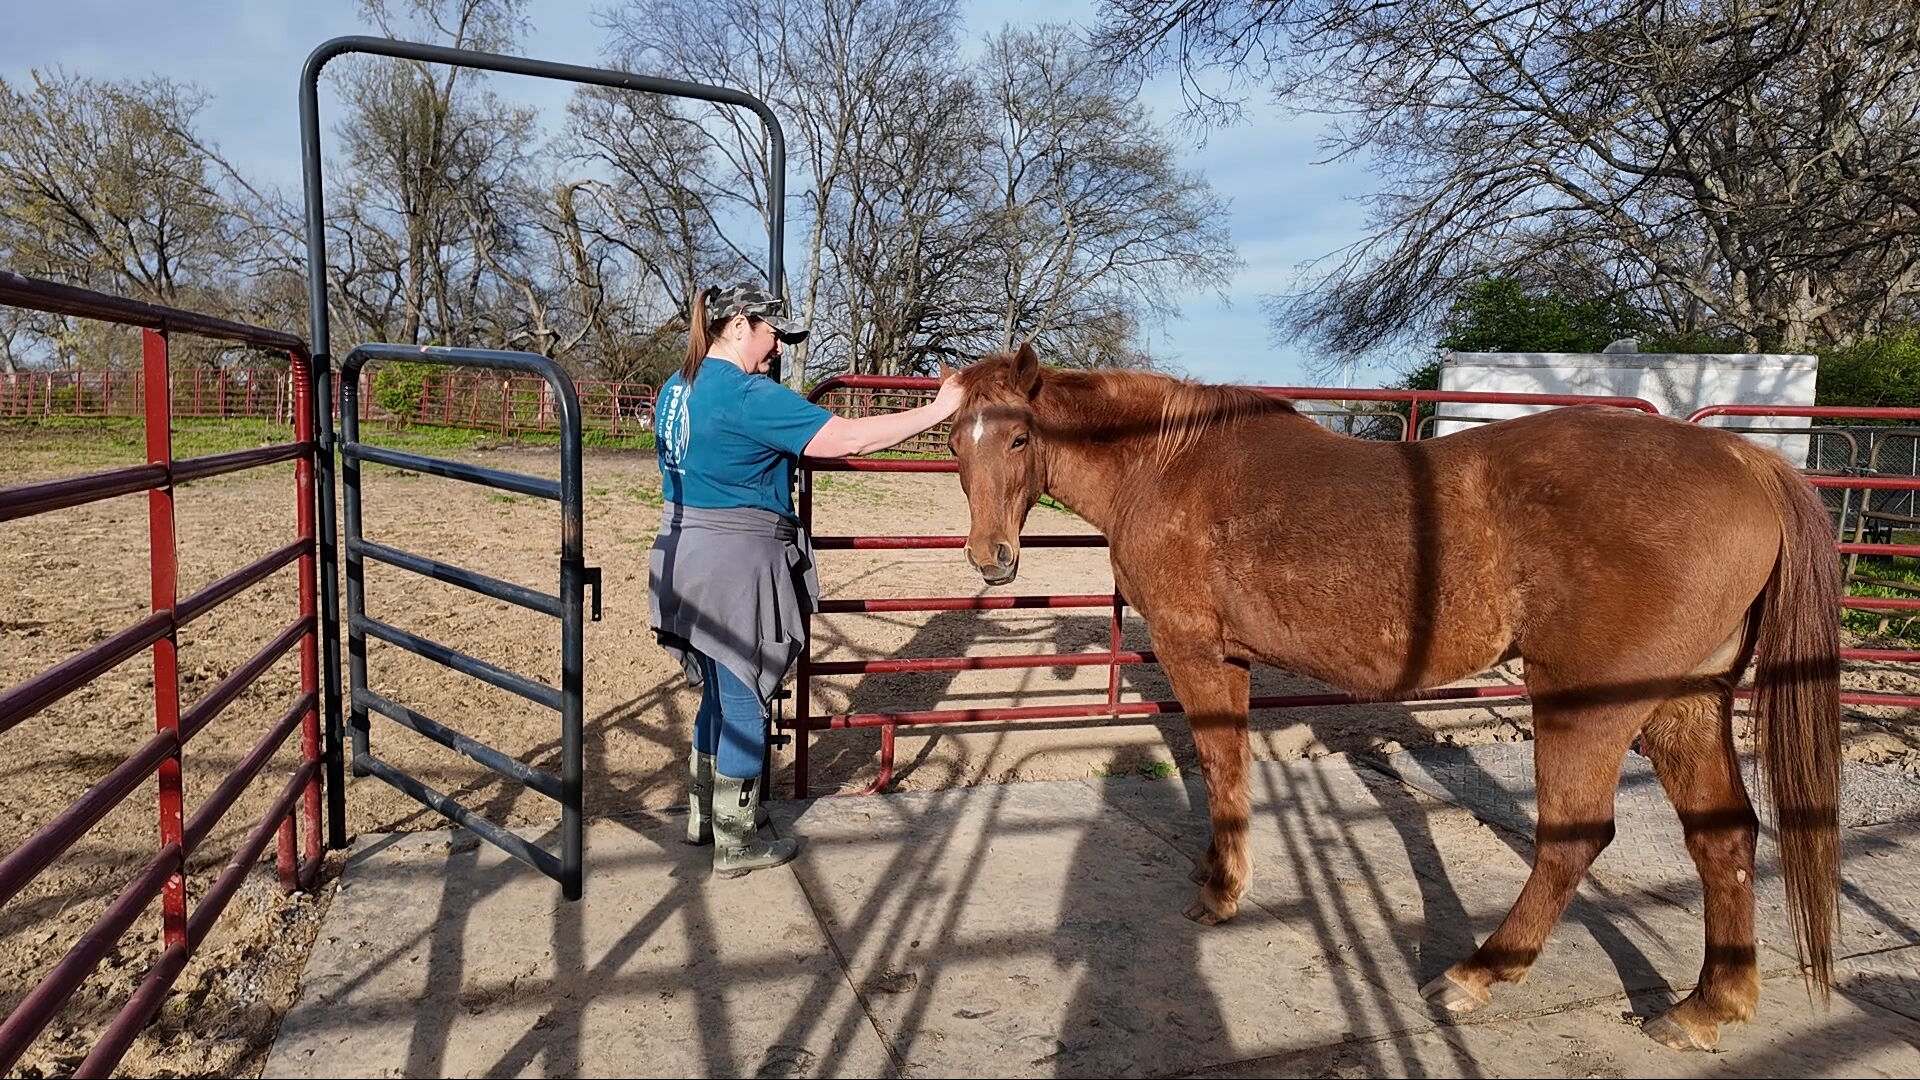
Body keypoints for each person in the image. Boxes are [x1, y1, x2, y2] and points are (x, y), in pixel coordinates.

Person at [648, 282, 965, 877]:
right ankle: (738, 840)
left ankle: (705, 816)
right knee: (746, 693)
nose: (777, 350)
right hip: (734, 563)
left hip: (679, 554)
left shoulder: (674, 388)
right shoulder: (746, 395)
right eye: (773, 335)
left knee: (718, 687)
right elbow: (849, 438)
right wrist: (939, 408)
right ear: (738, 325)